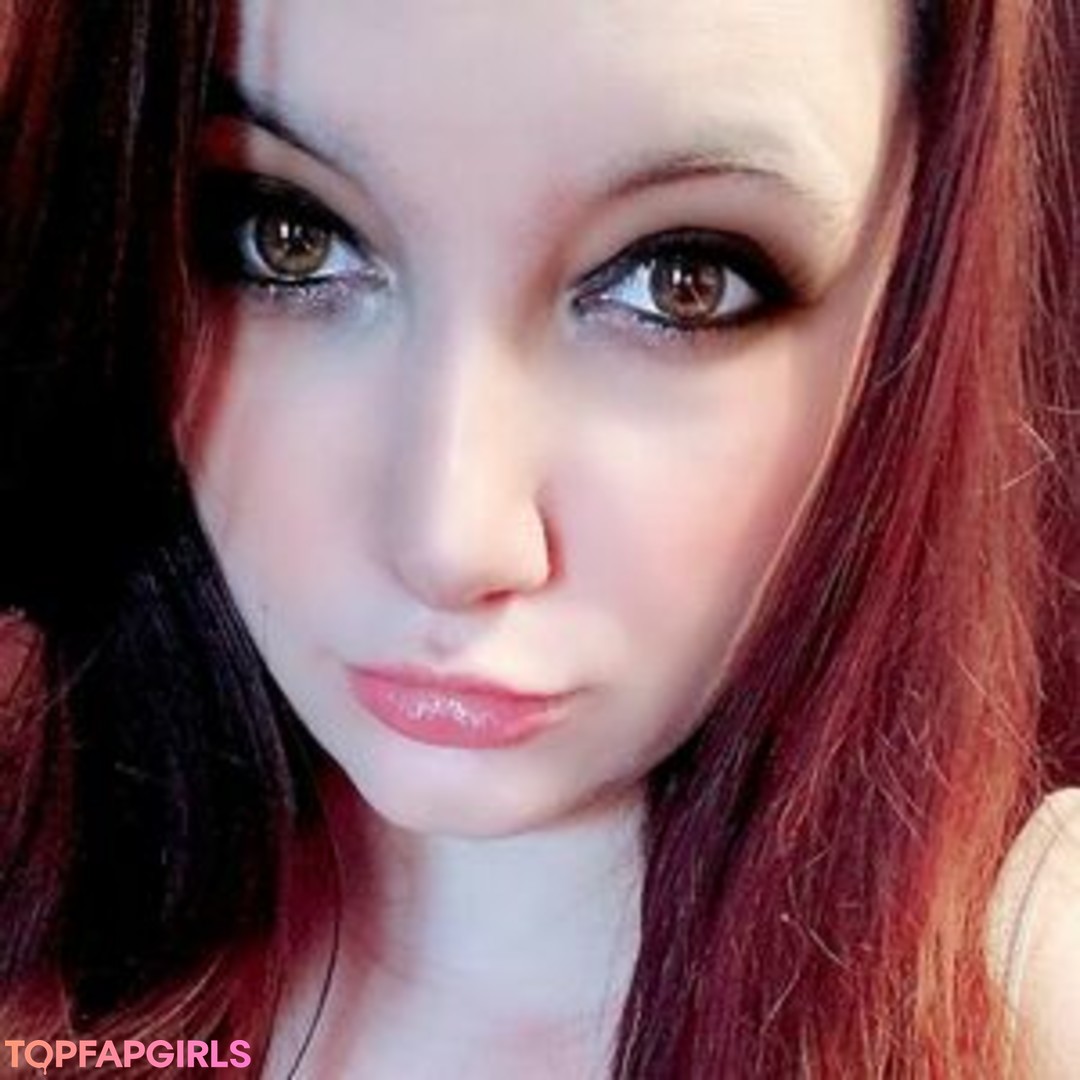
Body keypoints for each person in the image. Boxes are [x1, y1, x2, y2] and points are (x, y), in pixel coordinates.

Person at [0, 1, 1076, 1076]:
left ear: (914, 267)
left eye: (683, 279)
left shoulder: (1029, 1001)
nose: (451, 543)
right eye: (289, 237)